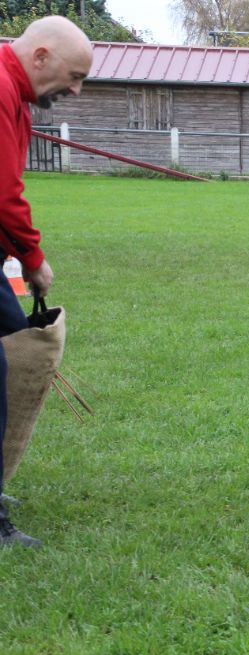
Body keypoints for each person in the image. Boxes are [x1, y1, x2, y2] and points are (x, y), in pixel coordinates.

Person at [0, 16, 92, 546]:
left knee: (15, 332)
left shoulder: (13, 94)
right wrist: (32, 259)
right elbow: (3, 190)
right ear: (40, 57)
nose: (76, 89)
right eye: (73, 75)